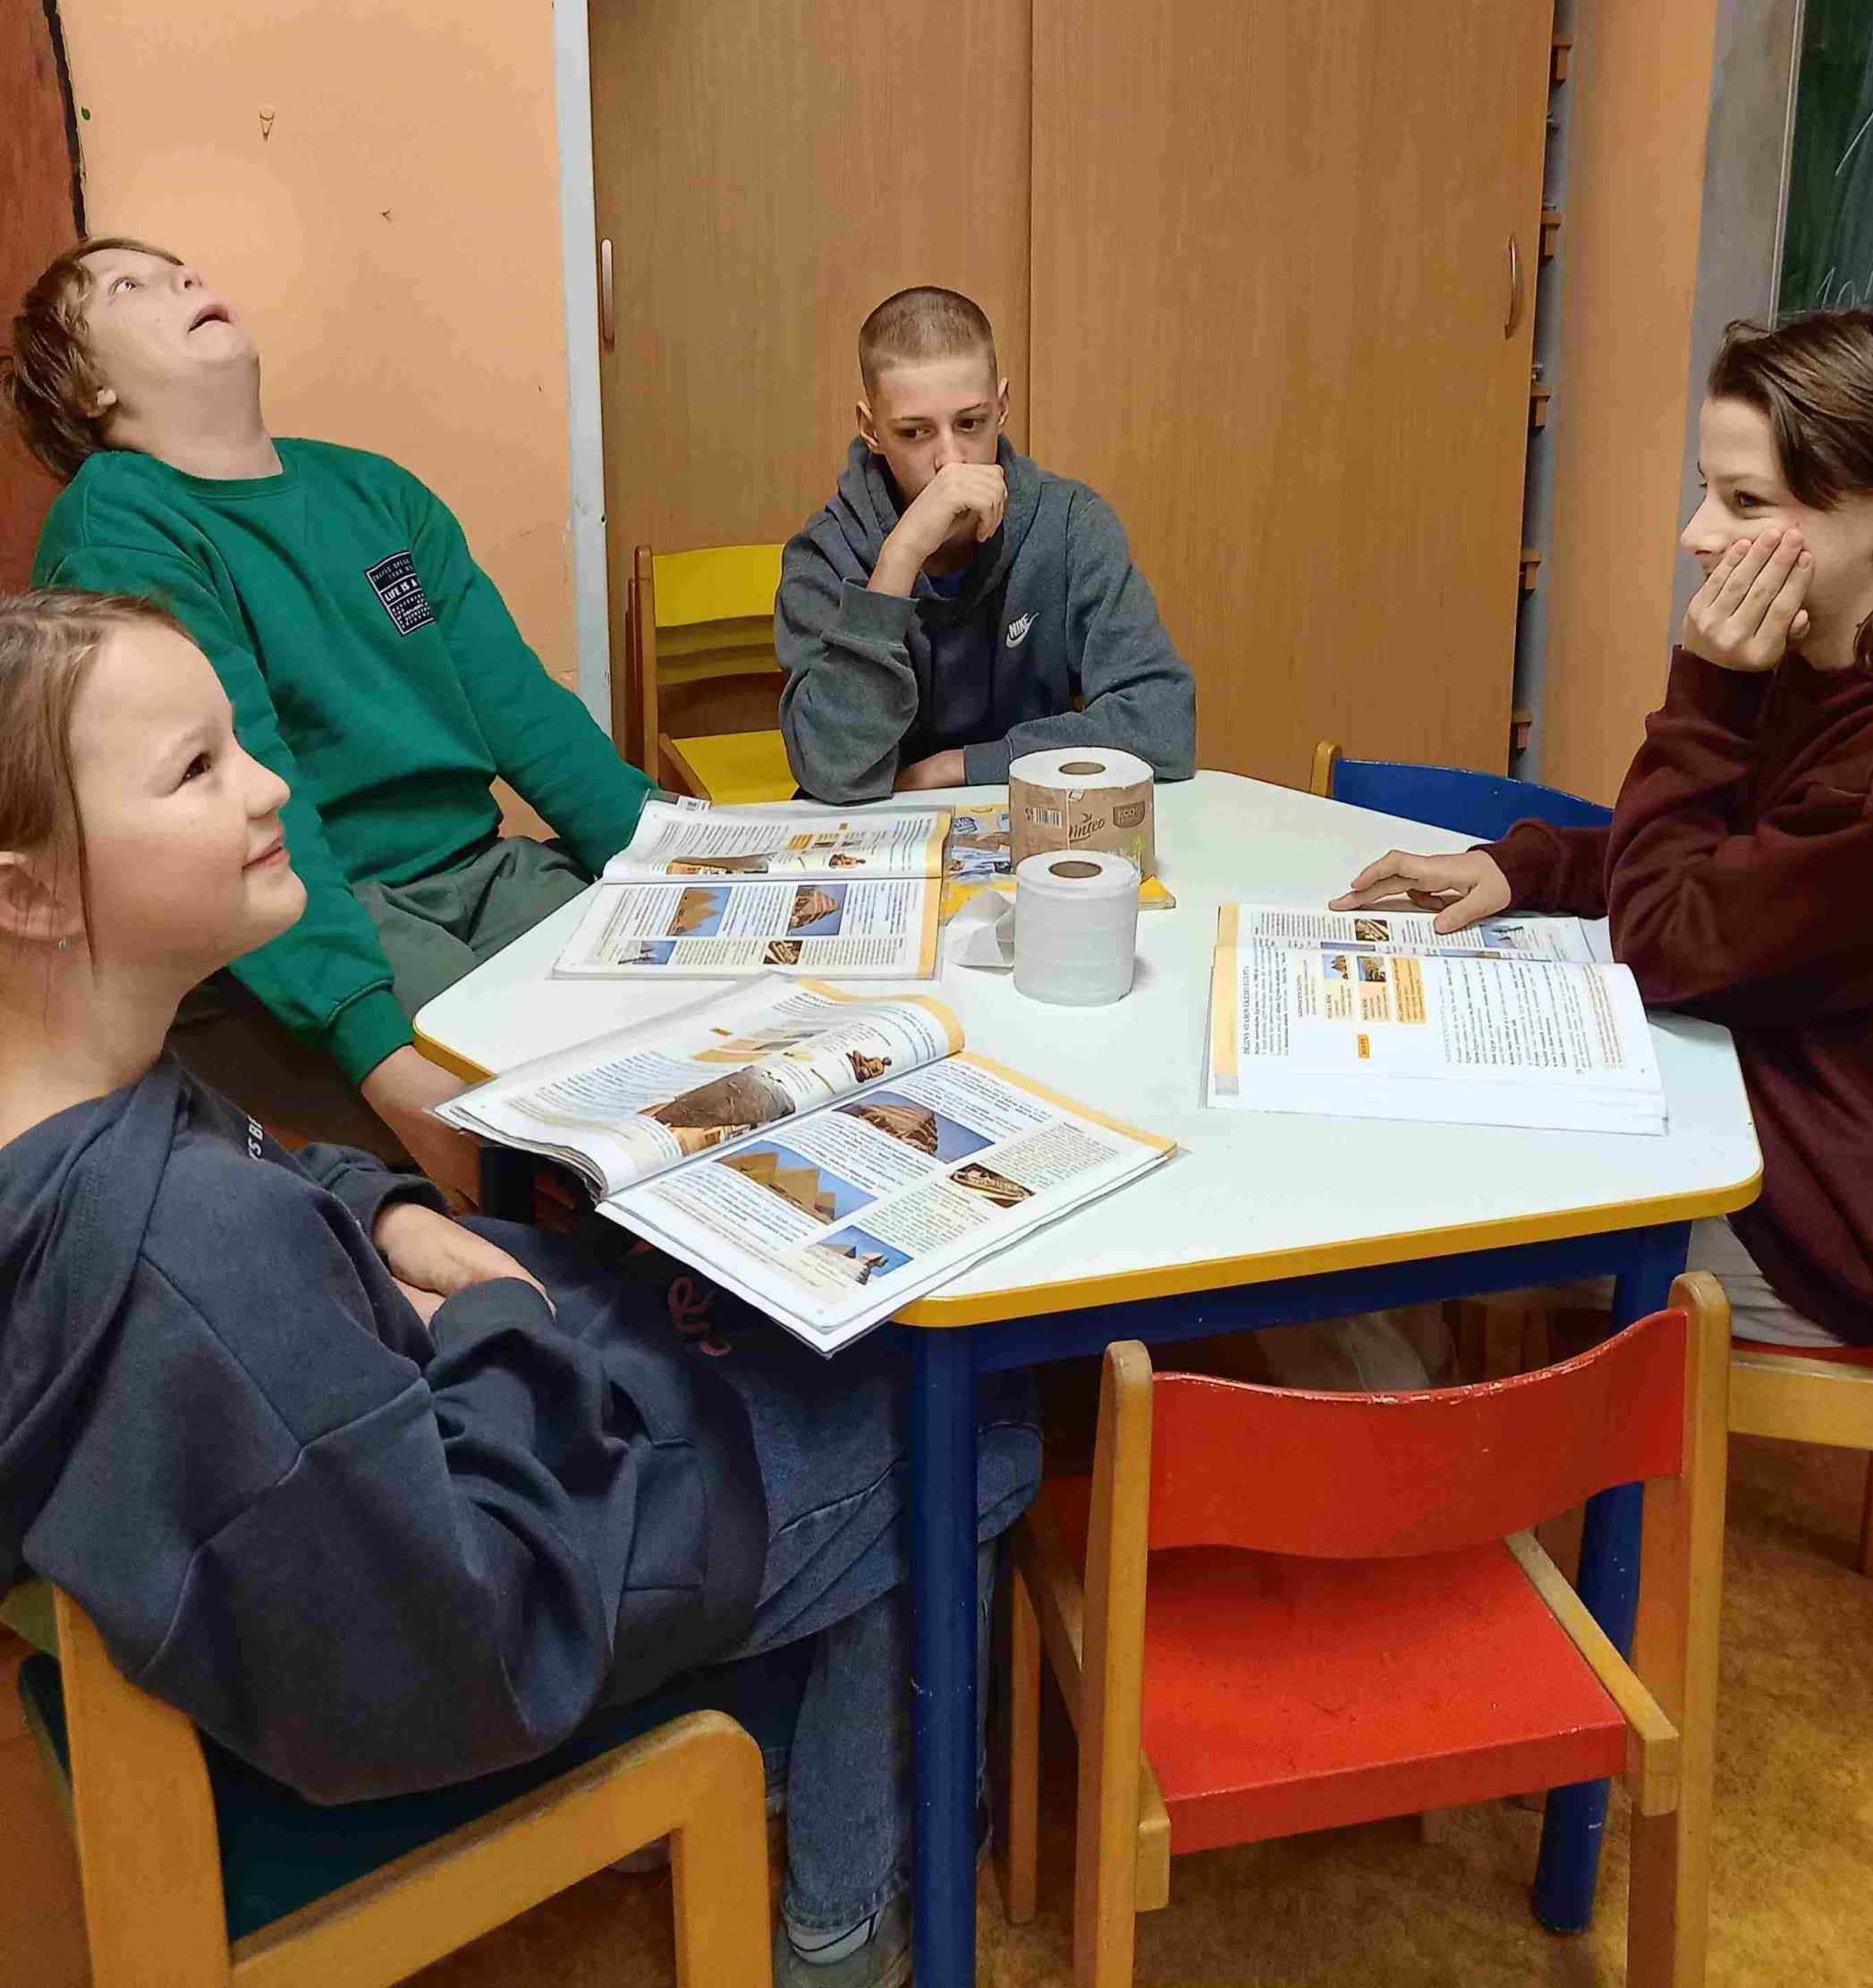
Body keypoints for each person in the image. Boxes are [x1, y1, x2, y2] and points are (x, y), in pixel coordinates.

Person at [0, 590, 1036, 1988]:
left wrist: (391, 1214)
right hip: (505, 1587)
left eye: (239, 742)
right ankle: (848, 1915)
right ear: (28, 890)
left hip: (389, 1502)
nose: (271, 787)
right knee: (968, 1423)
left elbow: (250, 1170)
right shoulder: (197, 1256)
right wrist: (498, 1321)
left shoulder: (68, 1109)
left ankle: (787, 1741)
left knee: (712, 1303)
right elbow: (487, 1623)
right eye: (197, 770)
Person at [1335, 307, 1873, 1348]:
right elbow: (1744, 869)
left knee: (1365, 1224)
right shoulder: (1857, 656)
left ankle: (1413, 1442)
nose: (1699, 533)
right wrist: (1532, 866)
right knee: (1388, 1150)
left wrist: (1710, 688)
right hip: (1772, 1113)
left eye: (1746, 500)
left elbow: (1672, 941)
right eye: (1706, 490)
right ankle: (1430, 1418)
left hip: (1831, 1232)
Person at [5, 238, 657, 1197]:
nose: (184, 280)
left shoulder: (373, 491)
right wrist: (380, 1053)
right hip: (303, 915)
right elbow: (243, 798)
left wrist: (688, 861)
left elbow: (524, 710)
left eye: (182, 270)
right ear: (89, 387)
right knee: (544, 1106)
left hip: (481, 869)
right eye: (129, 287)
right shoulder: (122, 519)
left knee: (680, 1007)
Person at [776, 286, 1196, 803]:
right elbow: (827, 767)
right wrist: (899, 558)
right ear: (872, 430)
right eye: (914, 433)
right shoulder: (824, 554)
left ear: (1001, 408)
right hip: (880, 840)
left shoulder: (1070, 525)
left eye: (970, 423)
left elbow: (1163, 723)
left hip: (1033, 829)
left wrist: (961, 766)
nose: (950, 462)